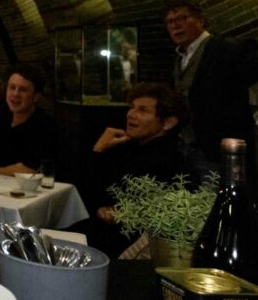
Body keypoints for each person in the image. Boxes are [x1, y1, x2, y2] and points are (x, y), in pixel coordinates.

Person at [70, 83, 193, 257]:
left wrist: (98, 153)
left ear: (168, 123)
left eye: (142, 110)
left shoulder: (166, 158)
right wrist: (99, 150)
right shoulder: (133, 146)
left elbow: (104, 199)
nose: (131, 114)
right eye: (132, 107)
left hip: (125, 249)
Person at [166, 0, 258, 161]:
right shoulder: (178, 58)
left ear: (201, 20)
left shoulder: (225, 48)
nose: (176, 25)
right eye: (170, 22)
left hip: (219, 144)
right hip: (188, 142)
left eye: (182, 18)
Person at [0, 63, 59, 176]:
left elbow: (30, 168)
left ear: (36, 97)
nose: (15, 94)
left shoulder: (45, 125)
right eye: (12, 87)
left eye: (22, 90)